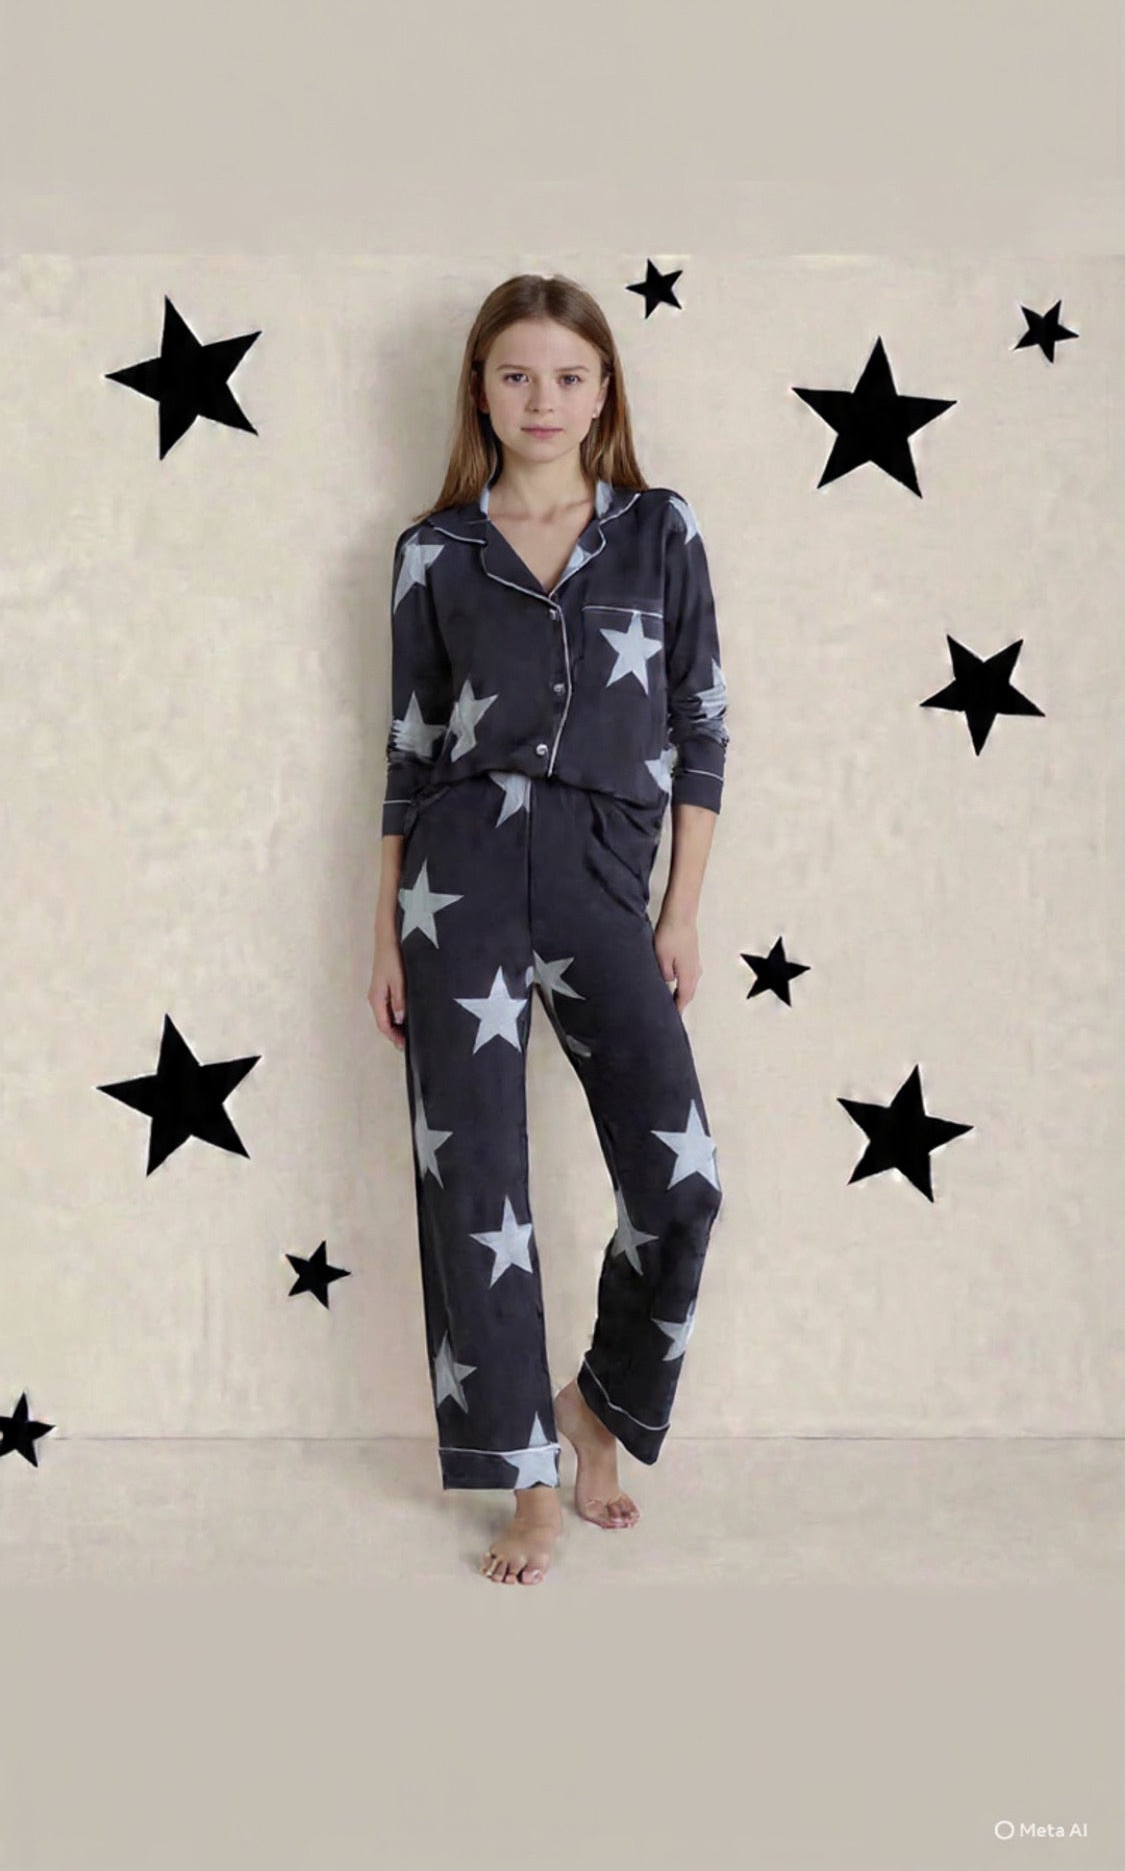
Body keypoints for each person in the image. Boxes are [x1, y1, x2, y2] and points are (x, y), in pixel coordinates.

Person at [368, 272, 730, 1584]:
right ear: (480, 388)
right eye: (516, 374)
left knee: (682, 1182)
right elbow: (407, 749)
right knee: (477, 1184)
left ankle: (598, 1408)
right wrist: (382, 930)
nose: (543, 399)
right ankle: (527, 1482)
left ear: (603, 391)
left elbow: (700, 726)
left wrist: (678, 913)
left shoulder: (659, 530)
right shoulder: (433, 552)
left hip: (602, 872)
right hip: (457, 874)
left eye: (569, 376)